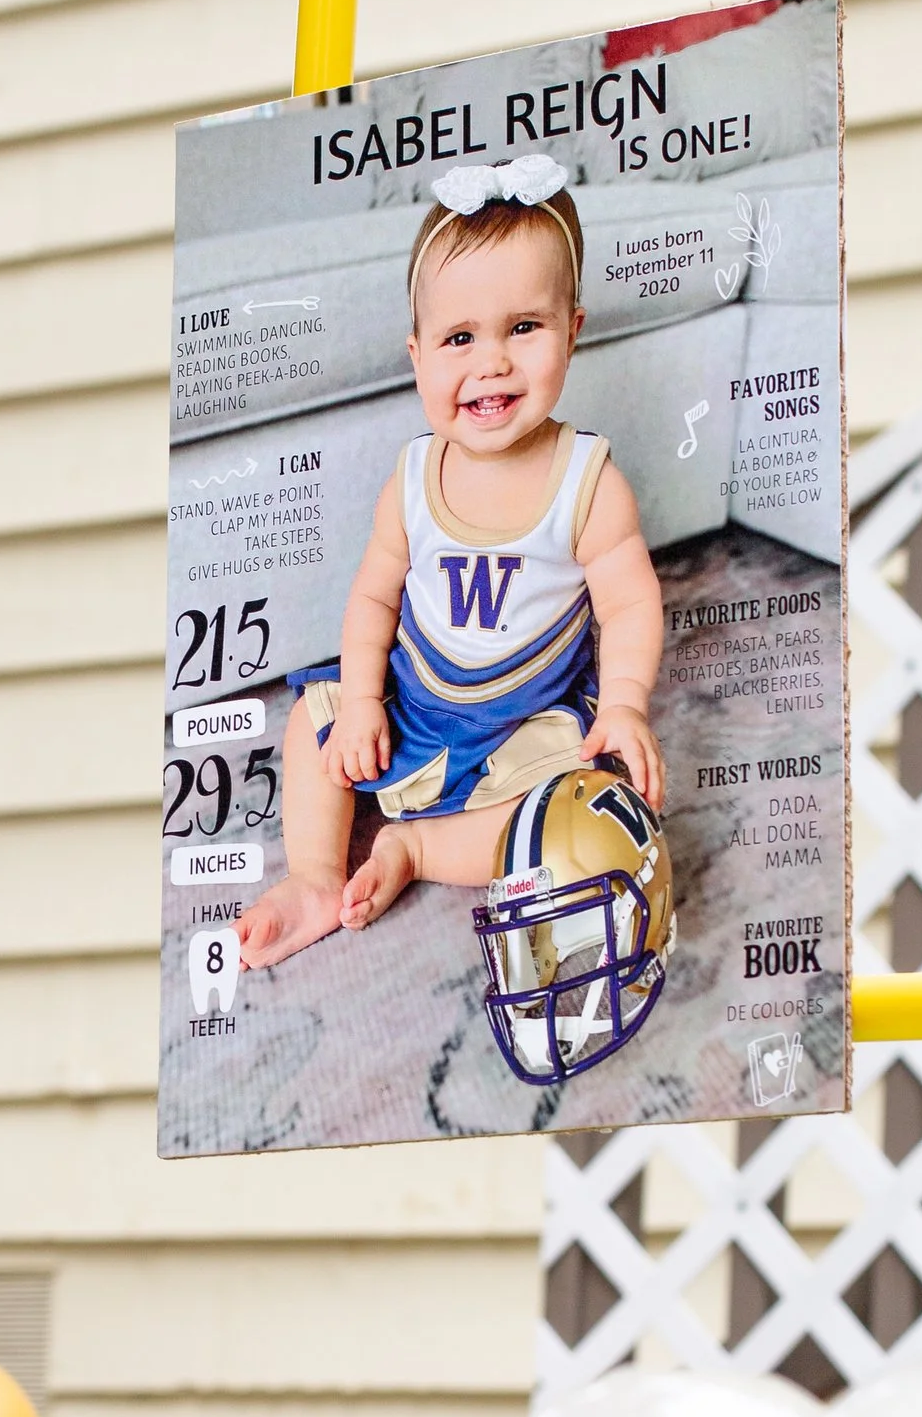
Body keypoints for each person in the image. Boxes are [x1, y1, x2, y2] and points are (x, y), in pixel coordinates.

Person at [239, 157, 664, 970]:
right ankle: (319, 878)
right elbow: (372, 603)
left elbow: (630, 606)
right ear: (418, 354)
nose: (491, 363)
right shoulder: (409, 484)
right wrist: (363, 702)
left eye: (524, 329)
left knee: (573, 805)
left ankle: (418, 852)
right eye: (460, 339)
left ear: (573, 329)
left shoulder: (588, 484)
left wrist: (628, 705)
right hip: (416, 703)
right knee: (309, 723)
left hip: (525, 723)